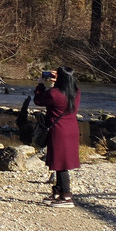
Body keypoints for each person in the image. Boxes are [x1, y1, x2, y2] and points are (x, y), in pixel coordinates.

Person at [34, 66, 80, 207]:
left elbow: (38, 100)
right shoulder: (76, 92)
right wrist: (57, 81)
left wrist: (41, 84)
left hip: (58, 130)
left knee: (61, 164)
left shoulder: (54, 94)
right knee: (62, 162)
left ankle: (66, 196)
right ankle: (58, 191)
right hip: (71, 129)